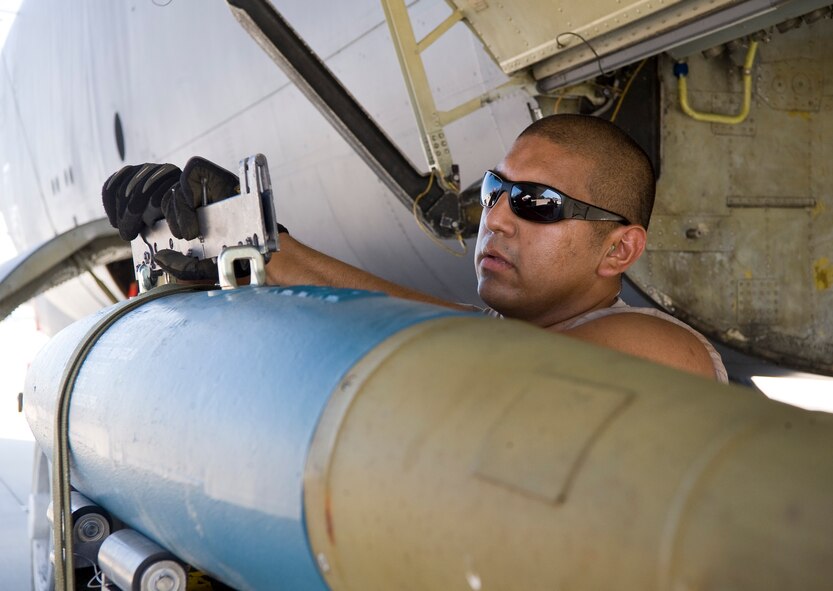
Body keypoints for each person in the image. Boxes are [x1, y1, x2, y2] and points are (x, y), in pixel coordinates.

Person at [102, 114, 727, 382]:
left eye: (537, 202)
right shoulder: (486, 341)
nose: (497, 219)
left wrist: (275, 257)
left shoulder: (663, 353)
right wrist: (230, 257)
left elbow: (487, 364)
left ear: (619, 250)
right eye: (494, 191)